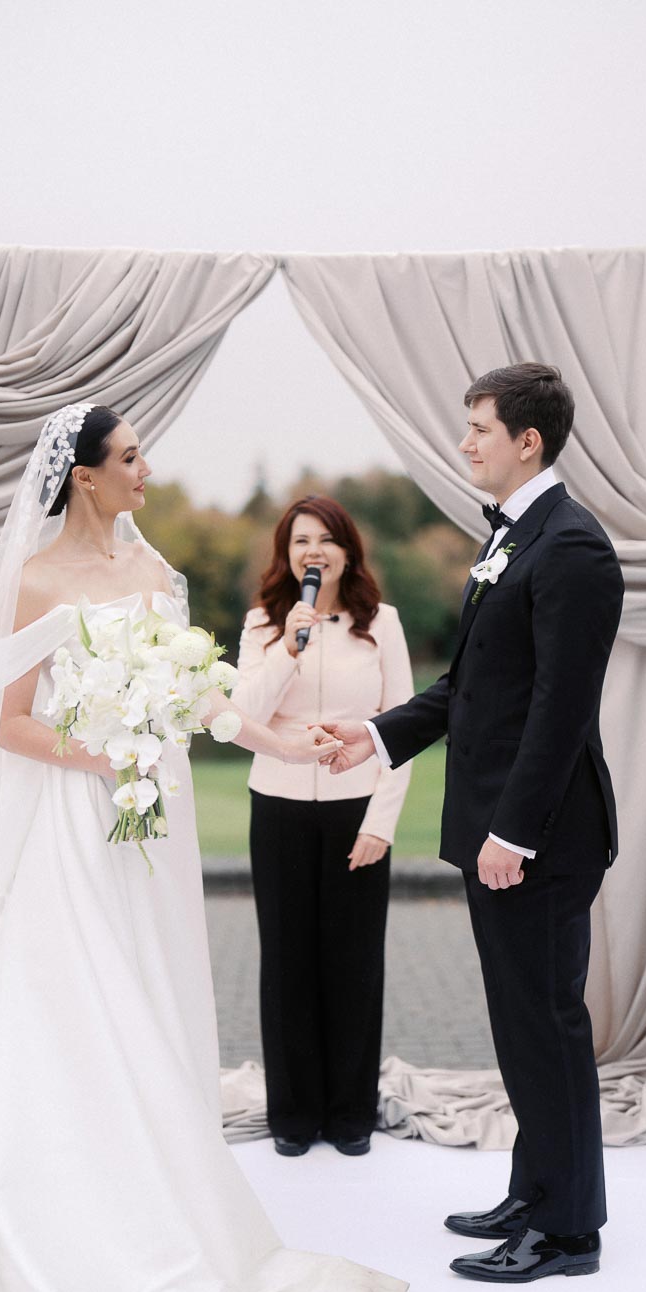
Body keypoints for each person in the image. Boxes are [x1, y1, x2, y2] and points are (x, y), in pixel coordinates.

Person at [0, 405, 412, 1292]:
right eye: (130, 458)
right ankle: (65, 1215)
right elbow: (6, 723)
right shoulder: (36, 582)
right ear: (84, 476)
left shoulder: (158, 572)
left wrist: (279, 735)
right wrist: (106, 755)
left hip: (149, 833)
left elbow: (201, 698)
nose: (146, 471)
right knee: (77, 1001)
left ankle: (154, 1197)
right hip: (78, 824)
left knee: (146, 995)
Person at [322, 364, 624, 1284]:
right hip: (499, 830)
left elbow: (558, 710)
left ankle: (568, 1233)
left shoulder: (571, 547)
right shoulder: (516, 541)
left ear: (527, 441)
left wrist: (514, 833)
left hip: (536, 839)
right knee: (522, 1024)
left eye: (478, 428)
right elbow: (471, 689)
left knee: (547, 1024)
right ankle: (537, 1189)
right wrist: (375, 736)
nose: (466, 443)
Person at [232, 496, 413, 1159]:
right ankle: (294, 1115)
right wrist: (287, 645)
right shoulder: (262, 624)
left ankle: (350, 1114)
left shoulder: (380, 623)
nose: (313, 549)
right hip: (276, 805)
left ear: (347, 550)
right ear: (286, 554)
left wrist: (381, 823)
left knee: (353, 962)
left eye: (326, 538)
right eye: (300, 539)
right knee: (287, 962)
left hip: (354, 808)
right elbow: (241, 714)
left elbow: (402, 727)